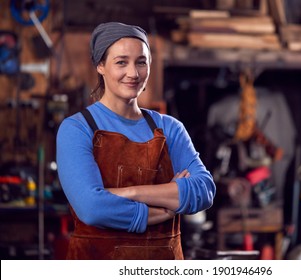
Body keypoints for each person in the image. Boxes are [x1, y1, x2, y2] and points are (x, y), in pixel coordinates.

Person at [56, 22, 216, 260]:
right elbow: (92, 208)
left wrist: (129, 193)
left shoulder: (170, 128)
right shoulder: (77, 128)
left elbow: (204, 191)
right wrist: (166, 204)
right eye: (121, 62)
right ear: (100, 65)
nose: (133, 73)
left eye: (141, 62)